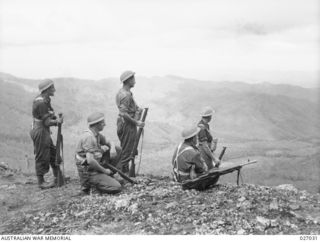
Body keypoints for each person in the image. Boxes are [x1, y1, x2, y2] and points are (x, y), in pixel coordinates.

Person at [75, 112, 122, 195]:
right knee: (117, 187)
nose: (105, 124)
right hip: (89, 171)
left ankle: (107, 177)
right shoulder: (89, 137)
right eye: (103, 122)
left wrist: (112, 148)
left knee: (117, 149)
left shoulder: (96, 134)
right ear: (96, 125)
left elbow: (109, 141)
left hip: (96, 165)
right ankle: (92, 186)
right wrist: (105, 171)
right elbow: (90, 161)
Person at [30, 79, 63, 189]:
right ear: (47, 90)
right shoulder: (41, 103)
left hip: (44, 130)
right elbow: (47, 122)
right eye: (52, 88)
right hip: (40, 131)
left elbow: (49, 114)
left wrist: (54, 117)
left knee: (53, 152)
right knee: (42, 155)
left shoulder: (46, 99)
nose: (54, 90)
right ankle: (41, 182)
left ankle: (57, 175)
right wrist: (56, 122)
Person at [115, 70, 144, 175]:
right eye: (133, 79)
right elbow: (124, 113)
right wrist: (136, 122)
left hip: (127, 123)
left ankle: (125, 173)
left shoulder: (125, 93)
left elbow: (133, 108)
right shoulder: (125, 95)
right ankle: (123, 175)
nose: (135, 82)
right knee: (127, 150)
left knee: (128, 148)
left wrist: (138, 111)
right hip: (127, 125)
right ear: (128, 81)